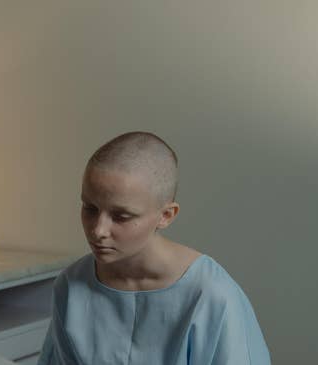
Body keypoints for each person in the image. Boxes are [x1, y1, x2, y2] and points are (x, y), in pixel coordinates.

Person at [38, 132, 270, 365]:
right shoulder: (71, 286)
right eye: (90, 208)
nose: (98, 230)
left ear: (166, 215)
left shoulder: (211, 296)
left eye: (121, 216)